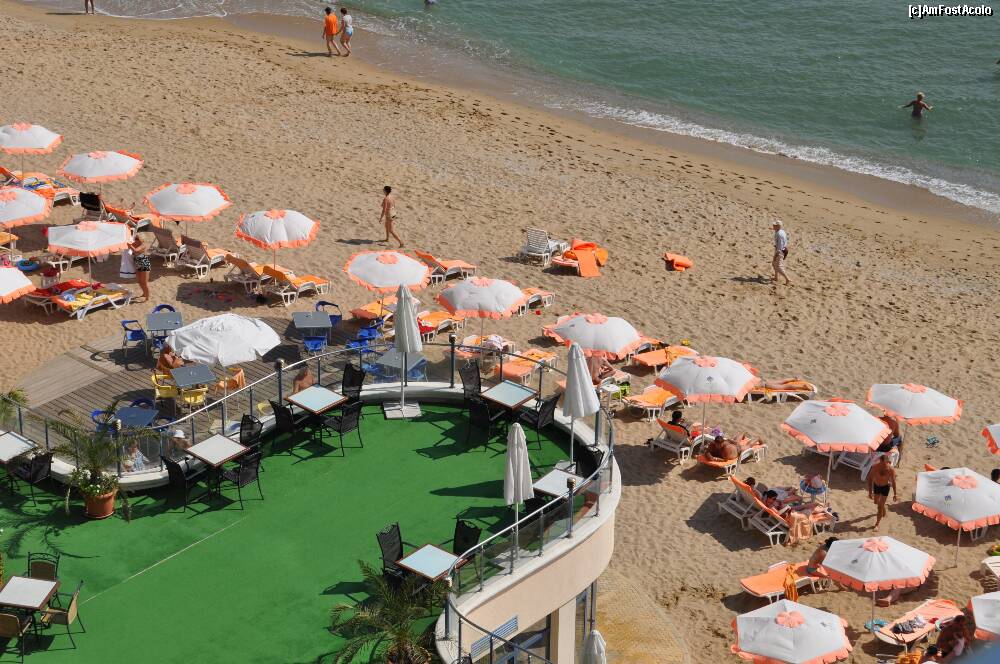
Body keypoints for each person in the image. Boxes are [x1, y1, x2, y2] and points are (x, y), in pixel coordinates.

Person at [867, 453, 898, 530]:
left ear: (887, 462)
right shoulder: (875, 467)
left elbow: (893, 482)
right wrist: (870, 492)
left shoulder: (890, 469)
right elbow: (870, 479)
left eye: (885, 464)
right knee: (876, 502)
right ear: (880, 461)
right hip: (876, 486)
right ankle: (883, 506)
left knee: (879, 507)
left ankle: (877, 524)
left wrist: (895, 494)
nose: (884, 465)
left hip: (885, 487)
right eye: (882, 463)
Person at [129, 233, 151, 302]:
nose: (135, 240)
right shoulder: (135, 244)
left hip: (144, 264)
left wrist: (129, 245)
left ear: (141, 239)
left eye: (137, 239)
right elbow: (130, 249)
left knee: (144, 282)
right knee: (139, 281)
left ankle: (147, 297)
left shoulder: (143, 245)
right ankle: (144, 293)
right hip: (137, 264)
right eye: (135, 238)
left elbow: (135, 250)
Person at [771, 220, 791, 286]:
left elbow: (780, 247)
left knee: (778, 266)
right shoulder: (781, 231)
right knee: (774, 264)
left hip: (780, 251)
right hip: (782, 249)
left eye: (775, 225)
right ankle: (776, 277)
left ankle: (787, 279)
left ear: (778, 226)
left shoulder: (779, 234)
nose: (773, 226)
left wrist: (776, 255)